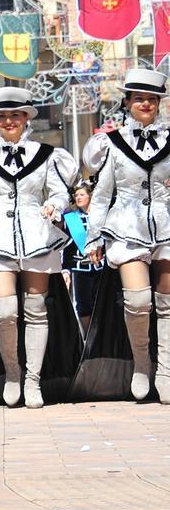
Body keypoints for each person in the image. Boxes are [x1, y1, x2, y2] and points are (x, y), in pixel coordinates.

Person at [0, 87, 78, 408]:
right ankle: (13, 373)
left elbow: (61, 193)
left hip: (37, 236)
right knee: (5, 311)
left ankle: (34, 380)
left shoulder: (47, 156)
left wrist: (54, 205)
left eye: (15, 115)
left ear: (26, 118)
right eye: (3, 116)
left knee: (36, 310)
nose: (9, 121)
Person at [83, 68, 170, 403]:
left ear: (159, 102)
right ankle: (142, 363)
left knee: (166, 305)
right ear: (128, 102)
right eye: (139, 98)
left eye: (151, 98)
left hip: (165, 224)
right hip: (127, 228)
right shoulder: (113, 143)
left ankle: (165, 370)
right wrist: (93, 237)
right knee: (137, 301)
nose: (145, 103)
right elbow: (102, 195)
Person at [63, 181, 104, 335]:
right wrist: (65, 269)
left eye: (82, 194)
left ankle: (101, 339)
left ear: (90, 196)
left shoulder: (101, 215)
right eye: (76, 195)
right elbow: (66, 247)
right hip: (80, 268)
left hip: (101, 266)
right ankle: (87, 338)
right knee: (83, 306)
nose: (78, 197)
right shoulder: (71, 218)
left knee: (101, 304)